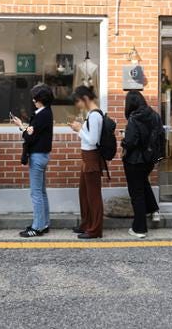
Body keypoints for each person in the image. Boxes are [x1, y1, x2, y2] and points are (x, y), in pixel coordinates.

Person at [12, 84, 54, 238]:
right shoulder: (46, 113)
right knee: (41, 192)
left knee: (36, 192)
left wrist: (21, 127)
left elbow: (29, 136)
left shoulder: (41, 115)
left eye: (35, 97)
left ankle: (37, 227)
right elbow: (31, 133)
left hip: (37, 156)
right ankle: (44, 223)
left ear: (40, 99)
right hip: (42, 155)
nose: (33, 100)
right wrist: (25, 128)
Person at [121, 90, 162, 239]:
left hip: (134, 160)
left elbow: (131, 141)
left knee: (136, 193)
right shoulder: (155, 115)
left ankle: (139, 228)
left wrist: (123, 141)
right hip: (149, 160)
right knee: (143, 183)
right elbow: (160, 137)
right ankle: (154, 210)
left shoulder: (134, 118)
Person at [68, 86, 104, 239]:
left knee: (93, 195)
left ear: (85, 98)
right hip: (87, 158)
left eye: (78, 101)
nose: (77, 105)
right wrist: (81, 128)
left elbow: (93, 140)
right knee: (84, 193)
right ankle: (87, 224)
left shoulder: (95, 115)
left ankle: (95, 229)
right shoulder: (91, 114)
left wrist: (79, 129)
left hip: (91, 158)